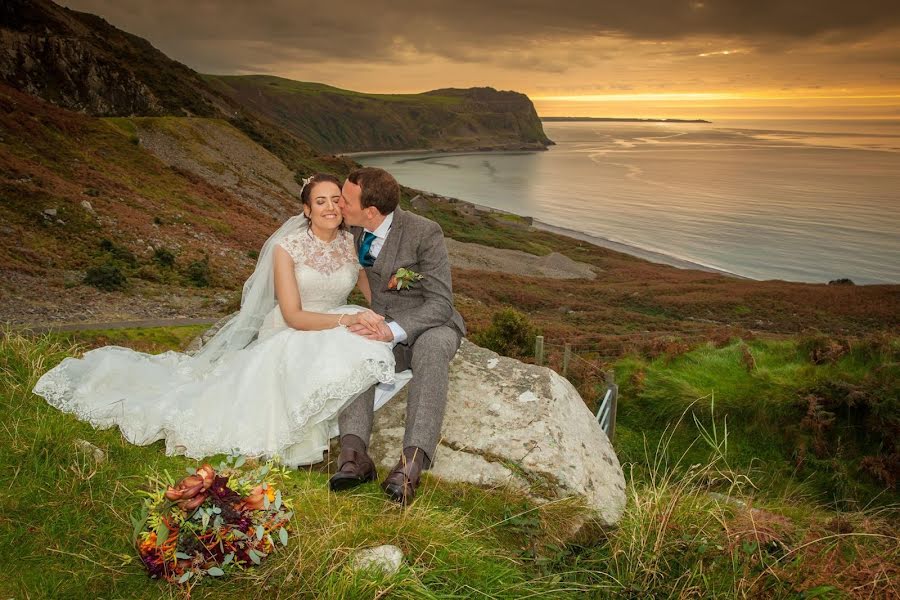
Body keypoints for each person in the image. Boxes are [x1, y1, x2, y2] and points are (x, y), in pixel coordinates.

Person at [32, 174, 405, 467]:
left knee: (366, 343)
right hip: (294, 328)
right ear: (306, 210)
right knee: (325, 350)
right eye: (319, 201)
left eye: (336, 200)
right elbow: (292, 315)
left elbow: (370, 290)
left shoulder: (351, 242)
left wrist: (389, 316)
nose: (330, 207)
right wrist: (346, 321)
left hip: (333, 317)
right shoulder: (286, 248)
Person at [330, 167, 466, 504]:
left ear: (371, 211)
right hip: (383, 323)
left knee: (431, 351)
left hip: (434, 325)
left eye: (345, 200)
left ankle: (412, 464)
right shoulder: (354, 230)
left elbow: (441, 303)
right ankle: (354, 455)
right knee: (355, 345)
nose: (339, 205)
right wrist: (371, 323)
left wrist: (391, 330)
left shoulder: (424, 232)